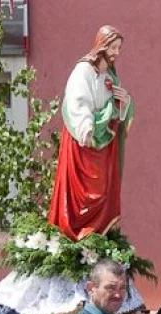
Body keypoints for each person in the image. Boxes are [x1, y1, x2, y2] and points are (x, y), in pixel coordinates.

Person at [47, 25, 134, 241]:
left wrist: (124, 103)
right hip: (83, 145)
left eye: (119, 48)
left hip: (104, 146)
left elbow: (117, 111)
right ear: (102, 46)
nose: (116, 53)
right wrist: (86, 126)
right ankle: (78, 234)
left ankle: (96, 235)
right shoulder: (83, 71)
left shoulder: (110, 77)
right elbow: (77, 101)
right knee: (82, 195)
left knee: (103, 190)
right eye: (113, 47)